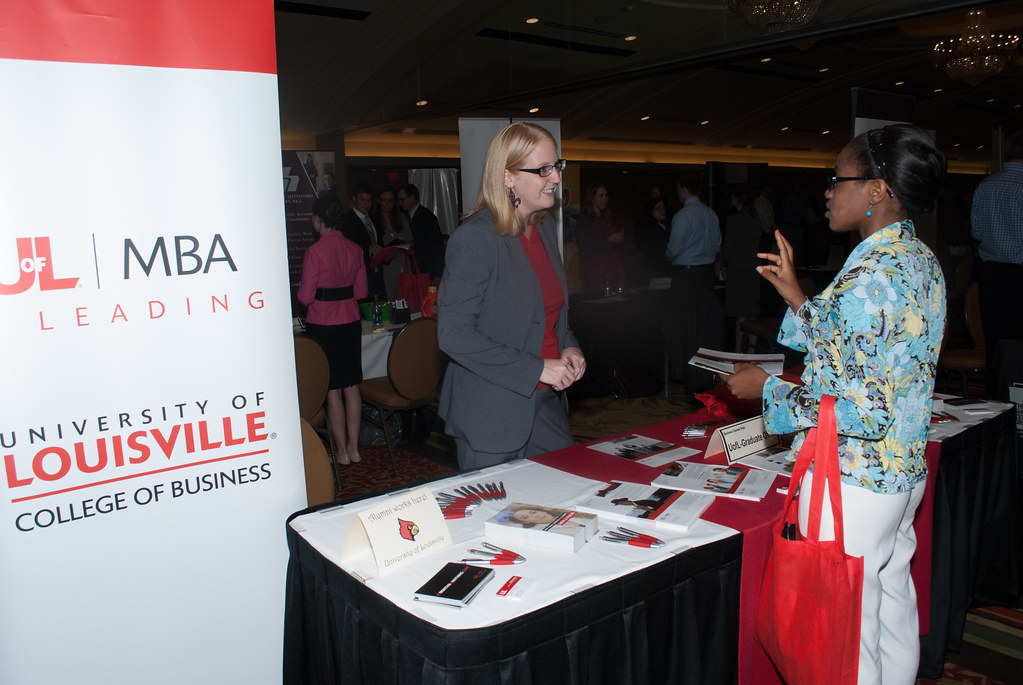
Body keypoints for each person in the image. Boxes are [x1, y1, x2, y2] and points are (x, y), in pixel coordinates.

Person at [724, 124, 947, 684]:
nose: (827, 191)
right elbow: (856, 346)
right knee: (891, 604)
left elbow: (865, 409)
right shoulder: (917, 258)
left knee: (850, 636)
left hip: (854, 479)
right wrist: (797, 294)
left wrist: (767, 392)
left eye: (838, 179)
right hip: (901, 472)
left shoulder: (869, 277)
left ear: (876, 191)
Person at [438, 122, 586, 471]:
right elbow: (454, 335)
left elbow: (550, 314)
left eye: (557, 166)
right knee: (494, 519)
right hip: (491, 412)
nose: (555, 178)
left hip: (546, 405)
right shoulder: (475, 239)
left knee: (568, 501)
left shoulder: (545, 227)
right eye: (543, 170)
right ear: (508, 177)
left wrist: (570, 345)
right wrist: (537, 368)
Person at [297, 194, 369, 466]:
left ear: (317, 220)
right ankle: (354, 447)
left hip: (324, 324)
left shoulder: (315, 252)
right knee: (351, 385)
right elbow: (361, 291)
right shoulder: (355, 249)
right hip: (350, 321)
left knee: (332, 388)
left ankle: (340, 451)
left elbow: (305, 297)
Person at [970, 129, 1023, 374]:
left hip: (991, 276)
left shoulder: (986, 185)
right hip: (1020, 275)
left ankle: (999, 400)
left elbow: (977, 232)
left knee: (996, 344)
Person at [664, 175, 723, 394]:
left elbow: (675, 248)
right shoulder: (711, 214)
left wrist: (668, 255)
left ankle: (688, 377)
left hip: (686, 277)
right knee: (704, 329)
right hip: (706, 276)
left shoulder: (683, 215)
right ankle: (705, 376)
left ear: (682, 188)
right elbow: (717, 245)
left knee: (682, 328)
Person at [720, 188, 763, 351]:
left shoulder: (734, 220)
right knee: (752, 311)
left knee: (740, 311)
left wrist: (724, 263)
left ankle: (738, 350)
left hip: (738, 267)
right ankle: (752, 348)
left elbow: (729, 246)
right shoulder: (756, 219)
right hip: (754, 265)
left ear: (736, 199)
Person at [340, 182, 386, 300]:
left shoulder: (374, 219)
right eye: (363, 200)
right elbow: (346, 251)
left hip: (377, 276)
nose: (367, 204)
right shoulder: (346, 221)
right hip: (359, 278)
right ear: (354, 199)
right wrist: (367, 250)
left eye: (369, 200)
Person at [574, 185, 625, 293]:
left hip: (610, 265)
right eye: (600, 196)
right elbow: (585, 244)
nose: (604, 199)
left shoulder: (606, 216)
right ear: (592, 198)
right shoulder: (584, 218)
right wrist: (609, 239)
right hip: (594, 268)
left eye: (606, 196)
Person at [369, 187, 414, 301]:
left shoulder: (400, 218)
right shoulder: (373, 220)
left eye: (390, 201)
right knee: (390, 297)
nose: (387, 204)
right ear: (378, 201)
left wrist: (402, 248)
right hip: (386, 267)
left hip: (402, 263)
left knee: (405, 297)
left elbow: (410, 239)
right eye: (384, 200)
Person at [397, 183, 446, 281]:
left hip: (426, 270)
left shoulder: (427, 217)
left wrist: (437, 274)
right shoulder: (402, 217)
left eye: (402, 199)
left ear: (412, 198)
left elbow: (436, 246)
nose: (400, 203)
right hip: (411, 269)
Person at [633, 196, 672, 279]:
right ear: (651, 211)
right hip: (653, 267)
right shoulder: (645, 226)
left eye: (663, 208)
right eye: (658, 209)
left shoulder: (668, 224)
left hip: (667, 266)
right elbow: (644, 246)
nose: (662, 211)